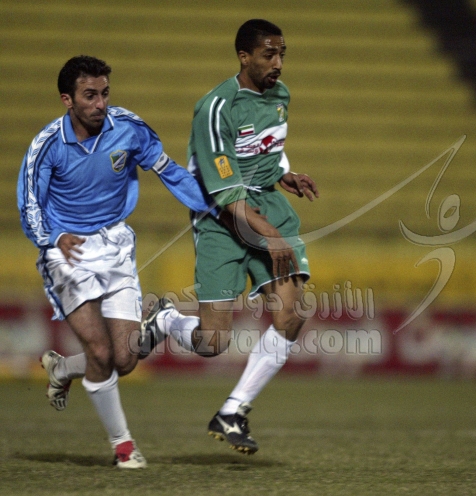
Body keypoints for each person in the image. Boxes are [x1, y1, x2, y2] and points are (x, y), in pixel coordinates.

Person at [16, 55, 216, 469]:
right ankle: (123, 446)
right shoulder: (46, 146)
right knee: (100, 350)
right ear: (67, 100)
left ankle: (65, 367)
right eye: (90, 95)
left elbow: (171, 172)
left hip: (115, 246)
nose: (100, 104)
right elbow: (29, 206)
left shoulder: (128, 129)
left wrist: (215, 208)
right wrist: (53, 237)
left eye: (105, 93)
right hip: (68, 254)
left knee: (123, 360)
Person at [140, 19, 319, 455]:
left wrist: (284, 174)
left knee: (292, 315)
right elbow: (226, 192)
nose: (278, 63)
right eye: (268, 55)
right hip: (221, 216)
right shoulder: (215, 107)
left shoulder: (280, 95)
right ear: (244, 57)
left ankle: (233, 411)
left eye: (282, 54)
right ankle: (165, 321)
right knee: (212, 342)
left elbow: (266, 149)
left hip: (266, 205)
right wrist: (271, 236)